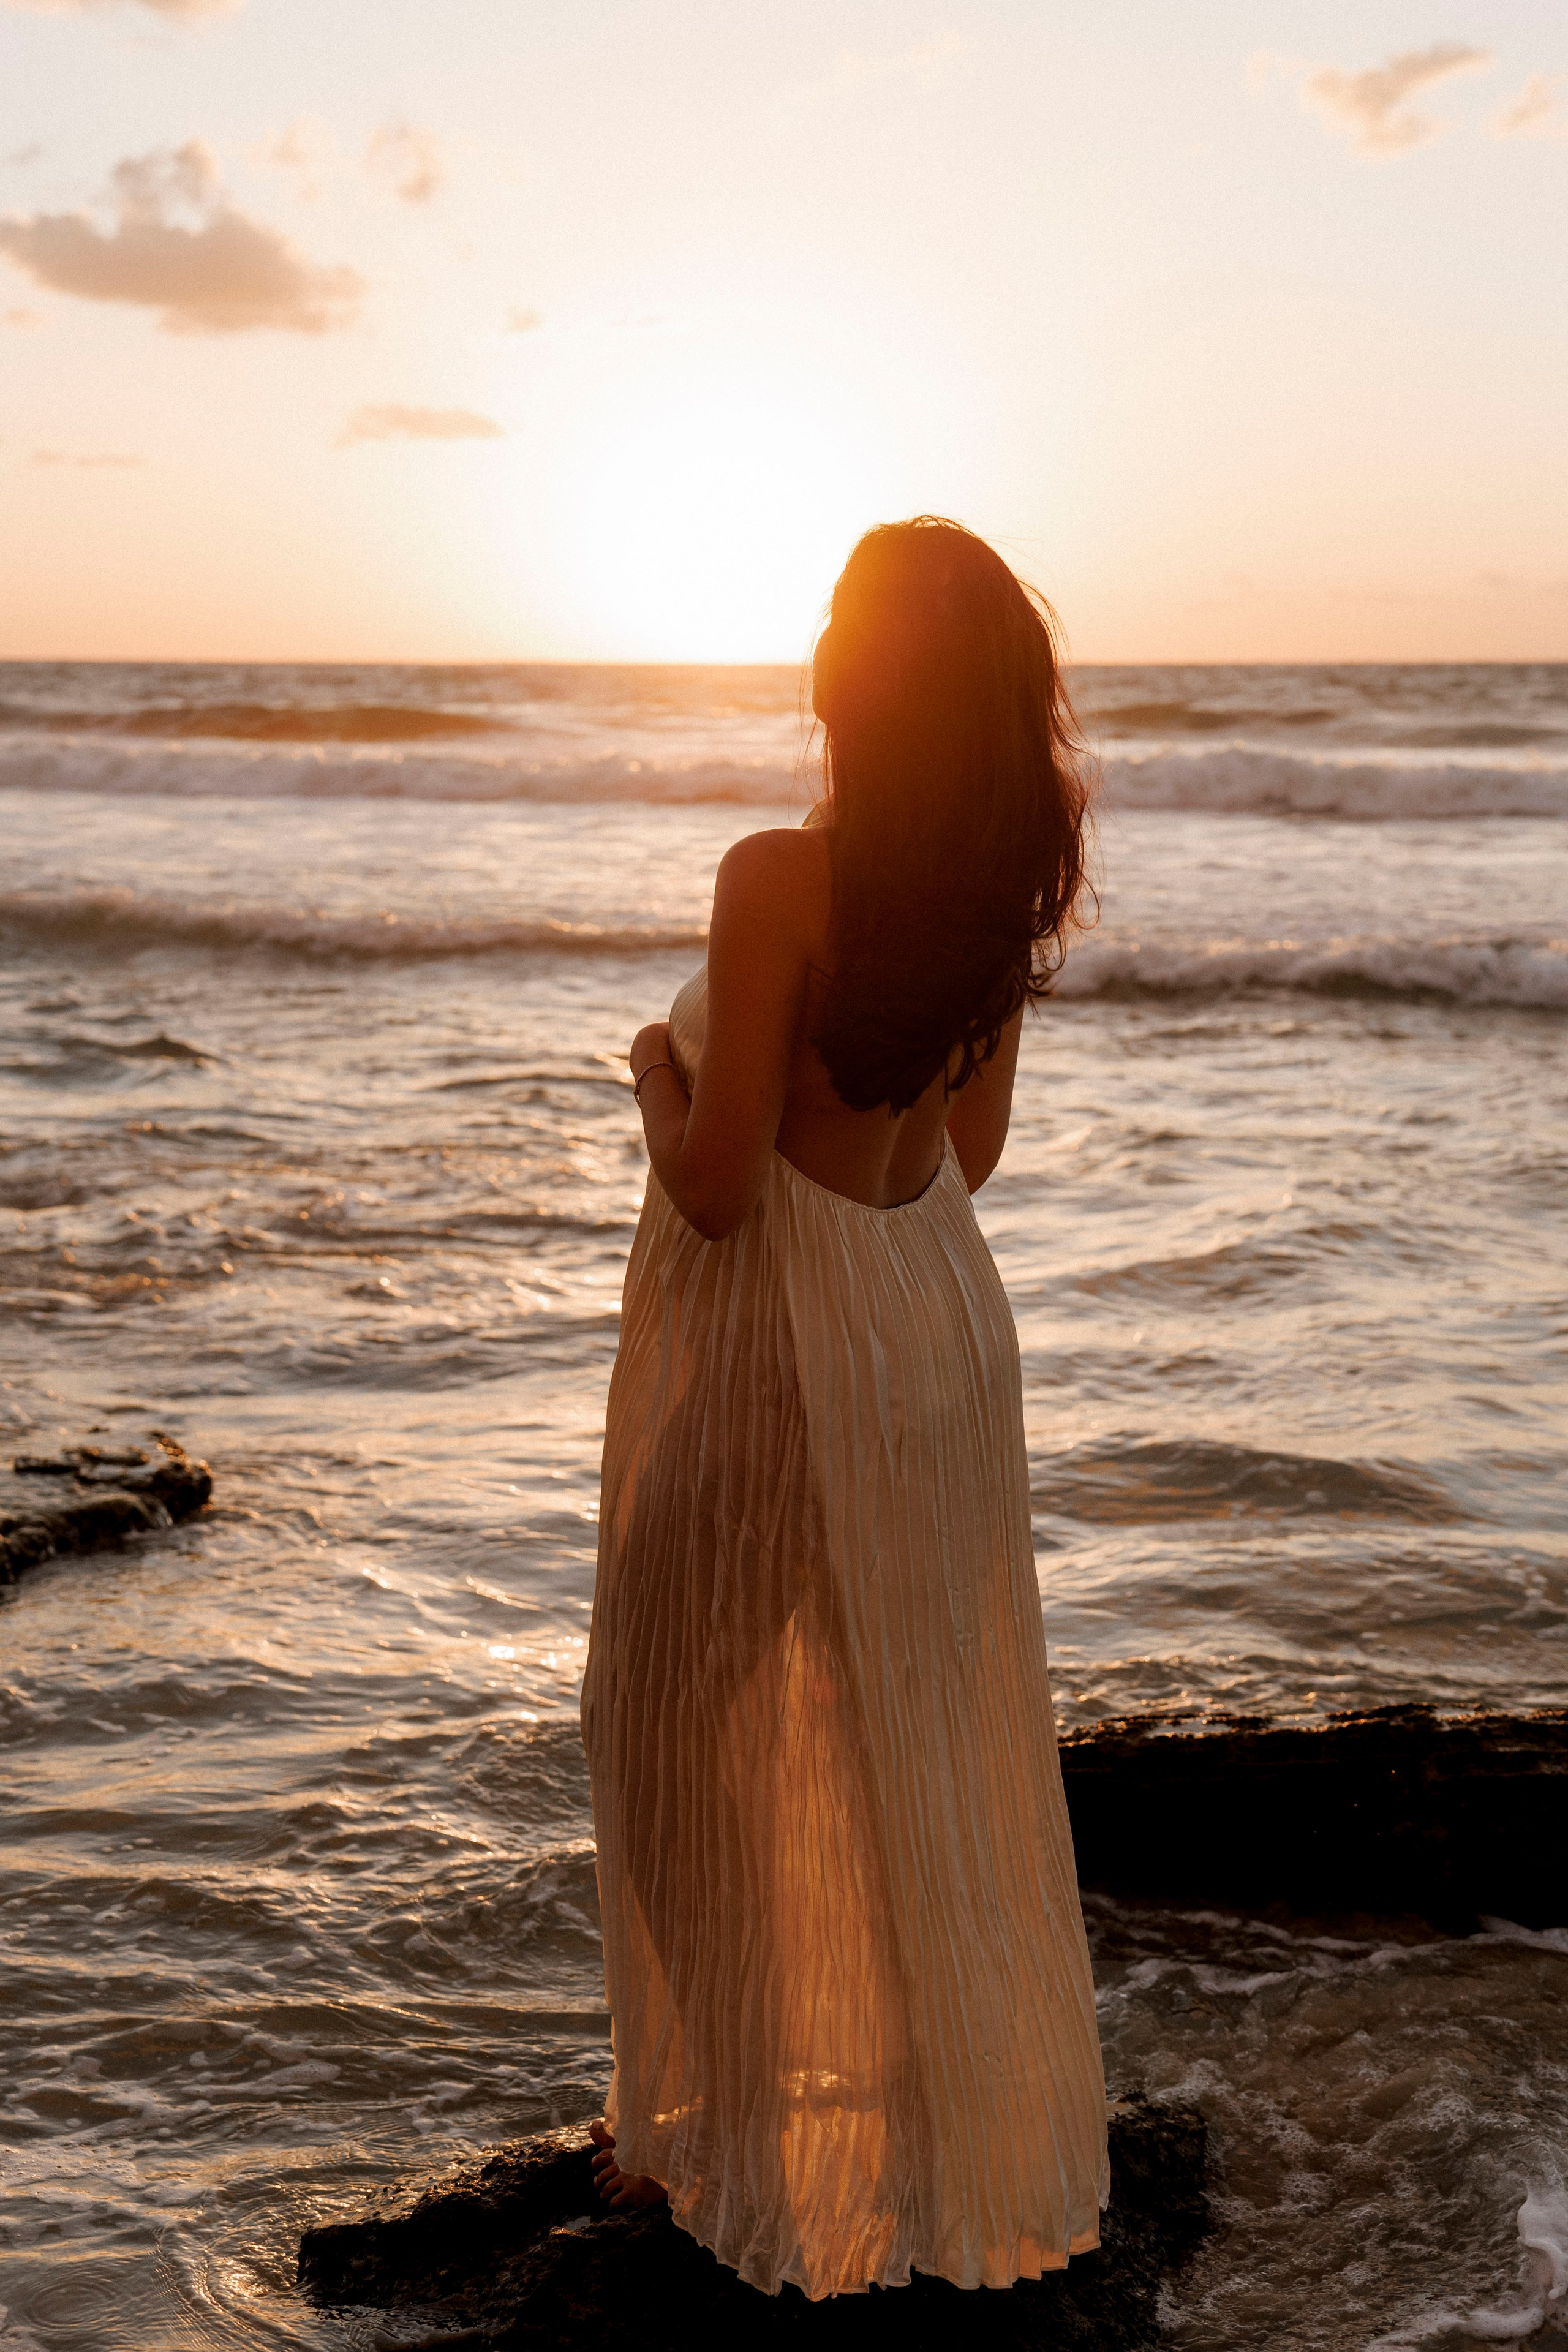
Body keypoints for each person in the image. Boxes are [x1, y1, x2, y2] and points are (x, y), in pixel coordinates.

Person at [579, 516, 1107, 2301]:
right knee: (901, 1740)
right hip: (930, 1330)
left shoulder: (778, 880)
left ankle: (727, 2124)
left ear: (859, 679)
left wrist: (656, 1080)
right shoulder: (998, 889)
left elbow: (722, 1191)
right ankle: (928, 2131)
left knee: (661, 1720)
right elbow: (971, 1152)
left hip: (794, 1341)